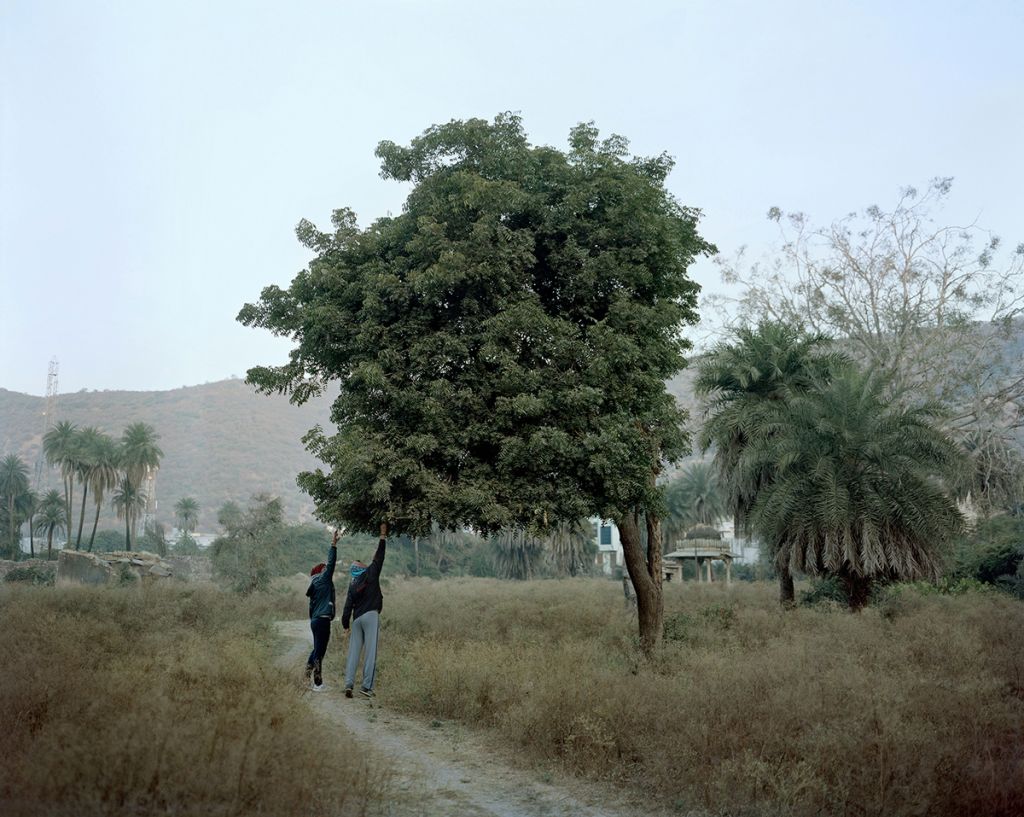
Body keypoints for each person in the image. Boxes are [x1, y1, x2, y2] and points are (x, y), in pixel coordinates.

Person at [342, 521, 388, 698]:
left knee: (353, 653)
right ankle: (366, 687)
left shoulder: (352, 585)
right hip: (370, 616)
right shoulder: (370, 573)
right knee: (370, 653)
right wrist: (382, 536)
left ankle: (348, 684)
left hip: (356, 620)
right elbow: (379, 557)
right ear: (362, 568)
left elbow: (347, 609)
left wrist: (345, 626)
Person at [305, 528, 340, 691]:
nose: (328, 570)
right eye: (325, 569)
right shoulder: (323, 580)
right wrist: (333, 544)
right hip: (323, 620)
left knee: (317, 649)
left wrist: (314, 619)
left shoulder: (314, 584)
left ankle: (306, 676)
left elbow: (311, 609)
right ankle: (317, 683)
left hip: (315, 621)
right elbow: (331, 563)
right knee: (320, 652)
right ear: (321, 572)